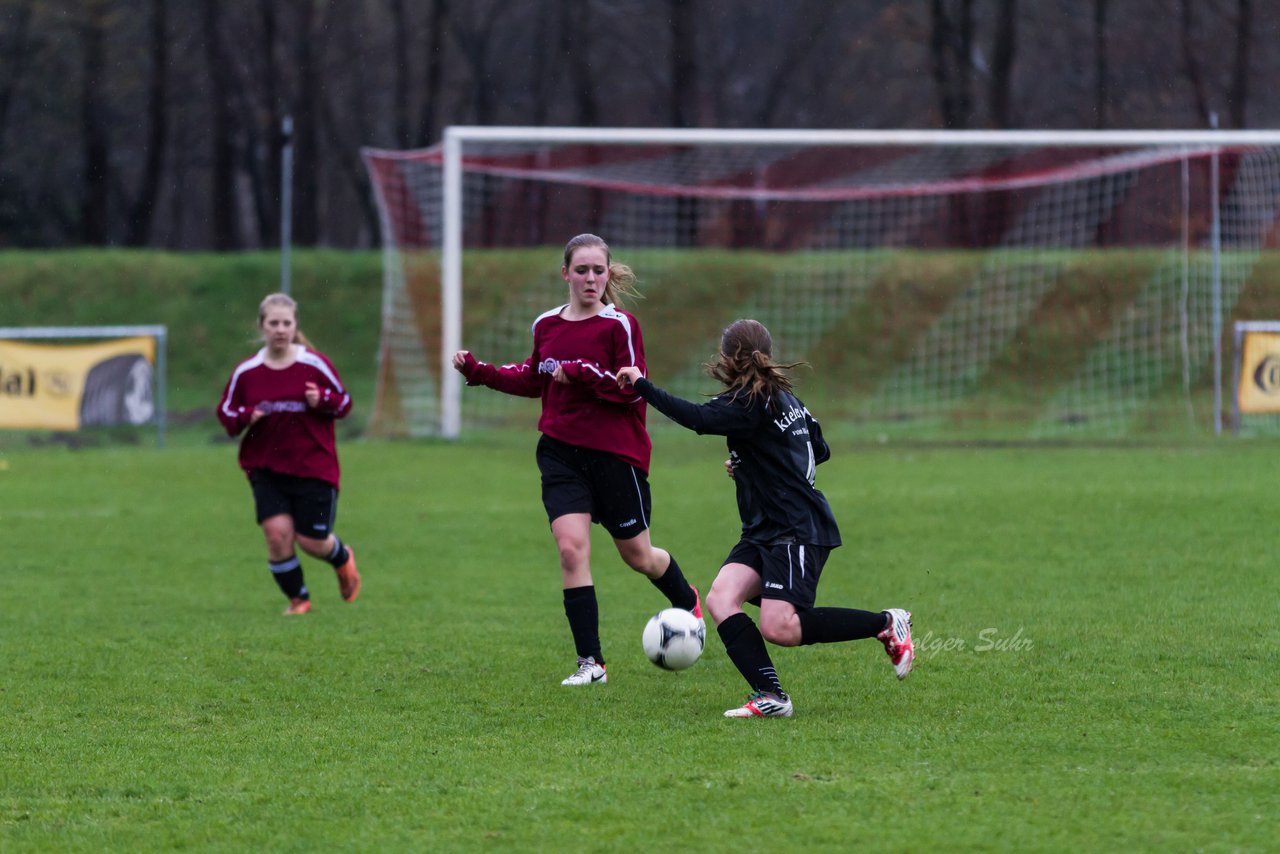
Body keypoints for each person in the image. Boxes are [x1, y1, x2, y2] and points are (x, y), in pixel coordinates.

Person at [616, 319, 914, 718]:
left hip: (795, 529)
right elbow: (819, 449)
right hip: (765, 528)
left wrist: (640, 385)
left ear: (726, 357)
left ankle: (885, 623)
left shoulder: (748, 402)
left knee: (781, 627)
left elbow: (698, 419)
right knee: (722, 597)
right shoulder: (785, 399)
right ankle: (771, 695)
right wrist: (751, 463)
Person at [451, 233, 701, 686]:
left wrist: (583, 375)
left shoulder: (620, 326)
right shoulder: (546, 324)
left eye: (598, 271)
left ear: (608, 274)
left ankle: (688, 602)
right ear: (565, 273)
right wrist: (480, 372)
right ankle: (592, 662)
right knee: (571, 550)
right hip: (560, 452)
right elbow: (534, 378)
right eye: (581, 270)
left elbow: (630, 388)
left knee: (639, 556)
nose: (590, 279)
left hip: (615, 454)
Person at [217, 293, 361, 615]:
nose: (280, 329)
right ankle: (299, 599)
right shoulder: (248, 372)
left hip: (314, 467)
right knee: (277, 534)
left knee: (312, 541)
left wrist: (321, 399)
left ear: (295, 326)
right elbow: (226, 414)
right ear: (261, 326)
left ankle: (342, 558)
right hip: (267, 468)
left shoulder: (314, 363)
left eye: (286, 323)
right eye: (273, 323)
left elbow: (344, 403)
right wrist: (246, 416)